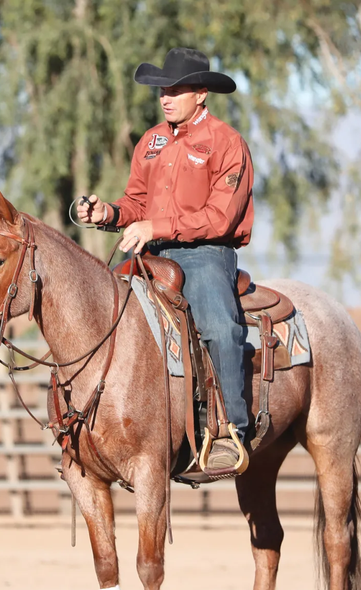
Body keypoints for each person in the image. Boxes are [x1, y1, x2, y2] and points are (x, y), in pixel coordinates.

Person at [77, 47, 254, 476]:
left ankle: (230, 429)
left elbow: (220, 217)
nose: (166, 97)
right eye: (162, 90)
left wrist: (155, 228)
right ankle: (92, 423)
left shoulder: (226, 143)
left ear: (201, 94)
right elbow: (137, 201)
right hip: (151, 253)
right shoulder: (151, 142)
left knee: (218, 324)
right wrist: (110, 214)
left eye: (176, 89)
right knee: (100, 313)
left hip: (206, 253)